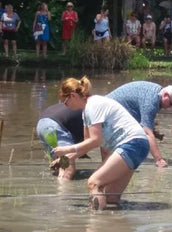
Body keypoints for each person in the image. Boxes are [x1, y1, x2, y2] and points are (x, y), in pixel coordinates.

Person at [54, 76, 149, 210]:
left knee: (94, 183)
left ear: (73, 96)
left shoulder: (93, 105)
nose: (65, 105)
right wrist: (65, 160)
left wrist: (66, 149)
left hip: (132, 143)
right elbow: (87, 144)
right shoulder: (86, 112)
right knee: (111, 197)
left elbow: (95, 140)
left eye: (65, 101)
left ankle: (96, 224)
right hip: (138, 145)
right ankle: (109, 224)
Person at [107, 81, 172, 168]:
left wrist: (151, 129)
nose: (169, 107)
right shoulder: (151, 102)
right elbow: (147, 133)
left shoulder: (157, 91)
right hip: (109, 112)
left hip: (115, 109)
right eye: (171, 104)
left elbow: (143, 122)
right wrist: (159, 160)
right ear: (165, 95)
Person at [36, 103, 83, 180]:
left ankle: (58, 185)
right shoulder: (103, 113)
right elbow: (104, 147)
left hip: (42, 123)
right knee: (67, 169)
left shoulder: (89, 103)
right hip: (56, 126)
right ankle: (63, 191)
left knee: (59, 167)